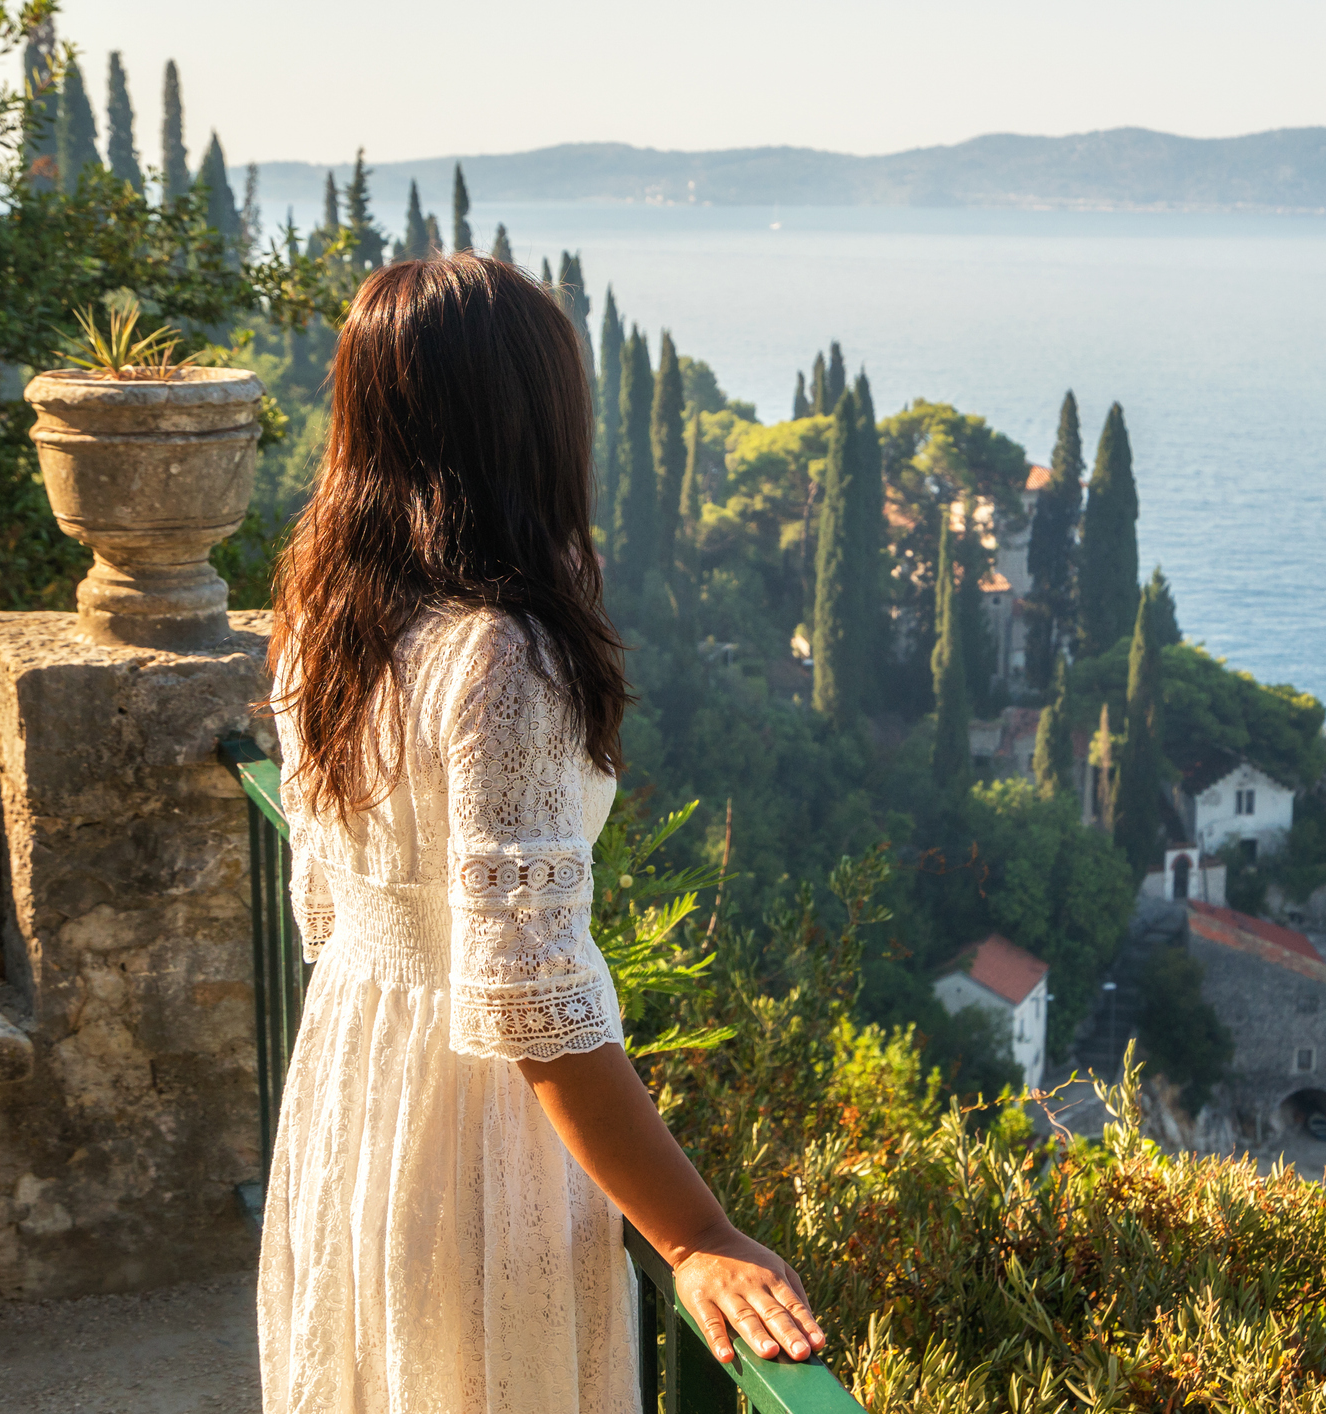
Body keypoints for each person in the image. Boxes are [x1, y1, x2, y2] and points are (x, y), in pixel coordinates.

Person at [257, 254, 823, 1413]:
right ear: (535, 420)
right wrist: (698, 1230)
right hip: (478, 1135)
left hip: (357, 1090)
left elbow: (339, 893)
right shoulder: (501, 656)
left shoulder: (324, 613)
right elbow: (532, 1000)